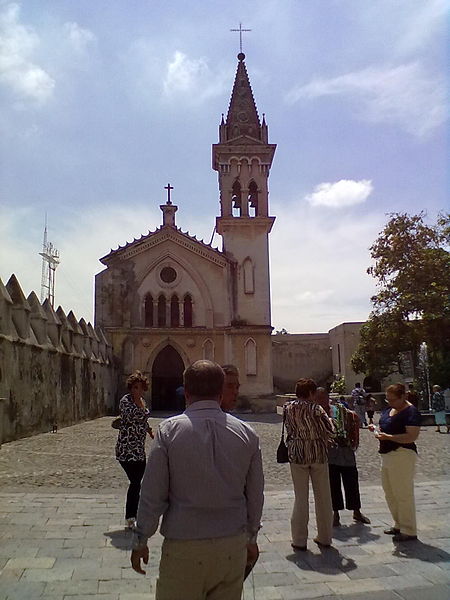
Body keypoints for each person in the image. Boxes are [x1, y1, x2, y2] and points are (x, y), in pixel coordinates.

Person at [131, 360, 264, 600]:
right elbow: (255, 495)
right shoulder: (247, 434)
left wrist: (142, 537)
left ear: (186, 391)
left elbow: (152, 493)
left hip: (184, 546)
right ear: (220, 389)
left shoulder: (169, 431)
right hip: (231, 545)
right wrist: (251, 537)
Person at [284, 378, 334, 551]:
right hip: (317, 453)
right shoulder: (317, 408)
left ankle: (299, 539)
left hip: (297, 454)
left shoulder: (288, 407)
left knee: (300, 498)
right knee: (323, 497)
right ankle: (325, 536)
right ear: (312, 393)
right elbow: (330, 430)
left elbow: (289, 428)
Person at [370, 383, 421, 542]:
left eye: (393, 400)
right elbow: (385, 425)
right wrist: (376, 430)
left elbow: (411, 436)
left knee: (403, 493)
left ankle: (409, 529)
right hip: (387, 454)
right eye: (388, 400)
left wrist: (389, 437)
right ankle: (398, 523)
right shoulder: (388, 410)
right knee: (390, 492)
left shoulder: (410, 412)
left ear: (403, 397)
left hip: (402, 454)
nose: (390, 402)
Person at [316, 389, 370, 527]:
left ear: (327, 397)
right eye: (318, 397)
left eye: (323, 397)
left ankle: (356, 511)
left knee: (351, 482)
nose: (320, 400)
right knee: (333, 485)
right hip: (329, 455)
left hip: (346, 452)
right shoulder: (316, 414)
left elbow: (352, 418)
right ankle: (335, 514)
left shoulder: (339, 410)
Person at [115, 371, 154, 529]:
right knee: (135, 483)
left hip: (138, 449)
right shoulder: (126, 401)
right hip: (126, 449)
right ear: (131, 388)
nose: (138, 391)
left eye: (140, 388)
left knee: (137, 484)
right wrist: (140, 408)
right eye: (135, 387)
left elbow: (143, 421)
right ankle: (131, 517)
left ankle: (134, 515)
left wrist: (150, 431)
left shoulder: (142, 402)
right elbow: (133, 416)